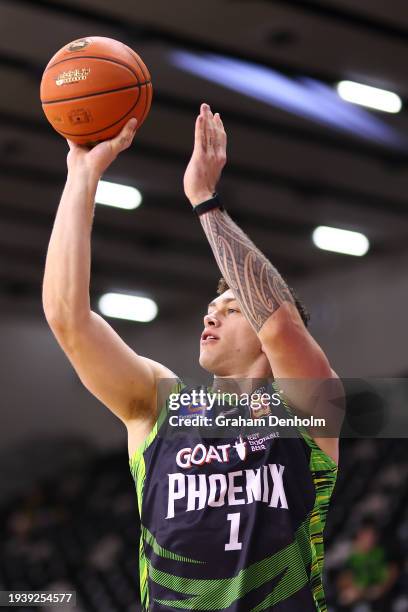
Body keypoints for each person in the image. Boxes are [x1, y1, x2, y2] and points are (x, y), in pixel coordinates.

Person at [43, 103, 342, 611]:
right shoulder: (158, 404)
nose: (211, 317)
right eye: (210, 308)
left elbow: (282, 323)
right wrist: (81, 177)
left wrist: (205, 198)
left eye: (231, 309)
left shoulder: (308, 411)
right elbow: (67, 319)